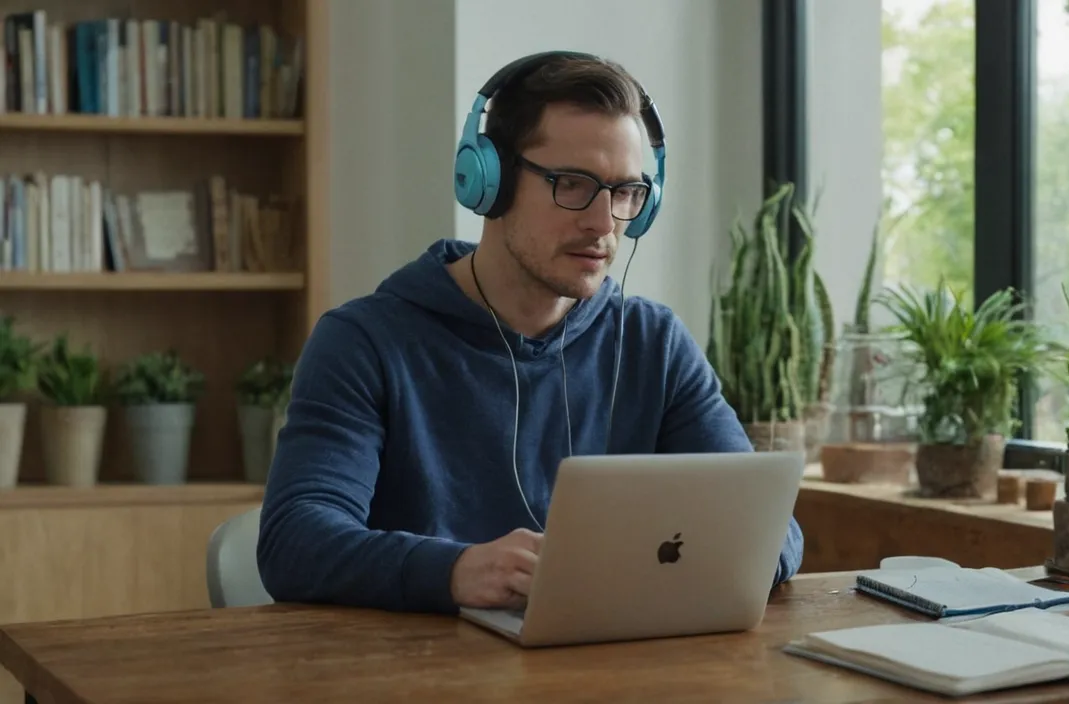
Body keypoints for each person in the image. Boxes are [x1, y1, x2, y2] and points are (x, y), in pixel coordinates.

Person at [255, 50, 805, 615]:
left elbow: (773, 532)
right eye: (572, 183)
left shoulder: (653, 343)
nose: (603, 222)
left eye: (625, 193)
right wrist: (454, 570)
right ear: (488, 180)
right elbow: (293, 542)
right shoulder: (364, 343)